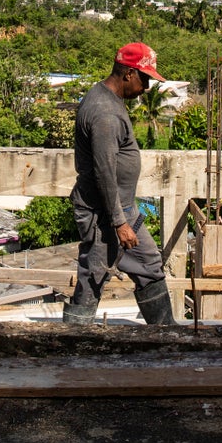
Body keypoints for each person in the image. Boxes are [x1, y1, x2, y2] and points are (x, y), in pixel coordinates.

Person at [64, 42, 176, 325]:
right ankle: (73, 339)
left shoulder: (107, 100)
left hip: (121, 208)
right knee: (94, 275)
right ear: (128, 73)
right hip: (106, 212)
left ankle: (165, 332)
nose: (147, 87)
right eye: (145, 78)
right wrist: (119, 222)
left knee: (148, 263)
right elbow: (104, 171)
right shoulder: (105, 114)